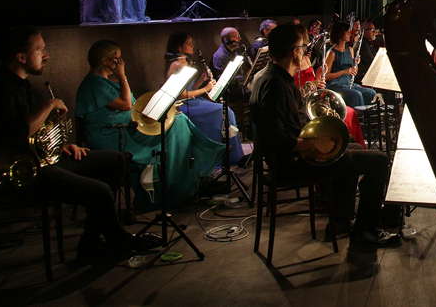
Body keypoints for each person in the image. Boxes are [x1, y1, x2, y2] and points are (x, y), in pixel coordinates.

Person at [0, 27, 157, 262]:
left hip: (45, 159)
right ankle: (112, 243)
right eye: (40, 50)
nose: (46, 55)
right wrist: (49, 106)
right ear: (21, 56)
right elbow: (17, 133)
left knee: (116, 160)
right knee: (100, 191)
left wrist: (62, 146)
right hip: (26, 172)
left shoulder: (23, 85)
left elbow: (35, 136)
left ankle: (93, 243)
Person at [249, 23, 399, 249]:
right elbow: (279, 137)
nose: (306, 52)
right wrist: (320, 145)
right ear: (293, 51)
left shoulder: (271, 77)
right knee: (378, 161)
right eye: (303, 47)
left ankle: (340, 221)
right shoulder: (276, 85)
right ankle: (365, 232)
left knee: (352, 145)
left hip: (291, 156)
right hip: (291, 163)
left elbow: (289, 124)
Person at [75, 39, 225, 208]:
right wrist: (122, 75)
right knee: (177, 127)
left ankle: (189, 182)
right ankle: (175, 189)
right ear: (105, 61)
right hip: (113, 135)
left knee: (179, 120)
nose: (121, 62)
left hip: (128, 128)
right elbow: (126, 104)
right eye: (117, 59)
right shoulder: (95, 84)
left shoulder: (106, 82)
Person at [165, 33, 244, 166]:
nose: (192, 46)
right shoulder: (177, 64)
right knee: (223, 112)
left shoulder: (184, 61)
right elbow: (180, 95)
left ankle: (229, 155)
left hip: (191, 101)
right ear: (179, 47)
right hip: (182, 105)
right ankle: (222, 157)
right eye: (189, 44)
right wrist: (206, 88)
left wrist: (201, 81)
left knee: (225, 111)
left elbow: (188, 89)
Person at [323, 20, 377, 107]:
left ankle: (368, 118)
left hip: (348, 83)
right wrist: (344, 71)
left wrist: (356, 64)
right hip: (335, 85)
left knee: (371, 93)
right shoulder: (332, 53)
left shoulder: (350, 50)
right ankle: (359, 118)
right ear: (340, 34)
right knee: (356, 95)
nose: (350, 33)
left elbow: (353, 72)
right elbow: (326, 76)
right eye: (347, 32)